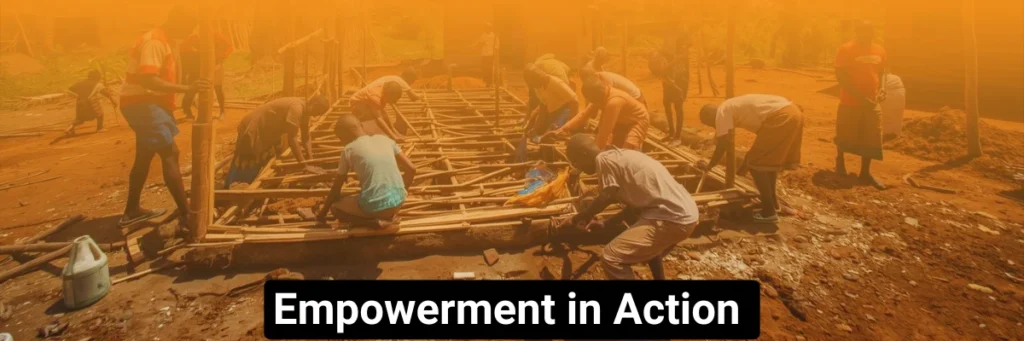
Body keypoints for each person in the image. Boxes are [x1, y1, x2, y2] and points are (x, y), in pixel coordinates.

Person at [117, 5, 208, 233]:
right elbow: (148, 79)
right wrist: (187, 88)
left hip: (148, 103)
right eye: (188, 26)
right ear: (177, 20)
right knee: (170, 154)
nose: (189, 32)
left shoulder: (166, 40)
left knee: (144, 156)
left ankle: (131, 210)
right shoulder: (155, 41)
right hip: (143, 102)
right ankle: (187, 214)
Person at [560, 134, 700, 280]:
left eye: (576, 162)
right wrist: (605, 223)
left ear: (584, 154)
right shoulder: (621, 156)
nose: (578, 168)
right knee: (649, 244)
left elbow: (606, 196)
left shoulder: (603, 160)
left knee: (611, 257)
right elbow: (633, 210)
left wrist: (580, 216)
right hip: (686, 214)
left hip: (671, 219)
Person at [698, 94, 804, 223]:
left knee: (756, 165)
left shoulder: (722, 112)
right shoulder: (729, 106)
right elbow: (721, 137)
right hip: (792, 113)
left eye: (710, 124)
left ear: (710, 116)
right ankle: (773, 205)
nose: (713, 126)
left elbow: (722, 145)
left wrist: (710, 165)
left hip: (780, 117)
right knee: (767, 164)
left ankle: (768, 213)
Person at [317, 114, 416, 228]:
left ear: (345, 135)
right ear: (361, 125)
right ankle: (387, 215)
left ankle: (373, 223)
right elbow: (412, 169)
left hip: (374, 208)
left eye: (341, 138)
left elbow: (336, 189)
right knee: (364, 197)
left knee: (335, 208)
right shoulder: (385, 139)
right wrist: (401, 191)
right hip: (399, 202)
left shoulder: (349, 149)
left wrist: (322, 213)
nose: (341, 142)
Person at [224, 95, 330, 188]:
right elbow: (292, 139)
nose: (316, 115)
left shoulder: (305, 111)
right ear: (314, 104)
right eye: (318, 112)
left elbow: (306, 136)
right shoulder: (297, 108)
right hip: (255, 126)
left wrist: (310, 160)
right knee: (246, 157)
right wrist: (305, 166)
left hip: (266, 131)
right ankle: (232, 188)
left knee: (261, 158)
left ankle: (245, 184)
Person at [834, 20, 887, 190]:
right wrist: (859, 96)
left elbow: (882, 72)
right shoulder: (846, 49)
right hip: (850, 101)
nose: (867, 35)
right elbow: (841, 77)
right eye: (863, 32)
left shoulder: (880, 50)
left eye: (870, 32)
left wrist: (883, 88)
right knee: (845, 131)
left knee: (871, 135)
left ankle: (865, 172)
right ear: (857, 32)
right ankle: (840, 161)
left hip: (872, 102)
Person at [544, 77, 649, 151]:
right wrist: (561, 130)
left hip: (638, 120)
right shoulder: (602, 96)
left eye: (591, 99)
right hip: (623, 121)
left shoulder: (613, 102)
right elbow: (583, 115)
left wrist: (594, 154)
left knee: (628, 149)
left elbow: (605, 132)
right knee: (615, 147)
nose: (591, 102)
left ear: (596, 95)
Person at [518, 64, 580, 162]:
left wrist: (572, 122)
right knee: (540, 133)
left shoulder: (556, 83)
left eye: (533, 84)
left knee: (548, 136)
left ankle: (550, 162)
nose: (533, 87)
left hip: (565, 110)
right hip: (552, 111)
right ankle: (546, 158)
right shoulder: (538, 86)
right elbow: (543, 106)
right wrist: (536, 127)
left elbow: (575, 101)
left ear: (539, 78)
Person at [180, 30, 233, 120]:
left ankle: (222, 111)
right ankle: (187, 110)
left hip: (215, 65)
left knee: (218, 88)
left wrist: (221, 56)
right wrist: (194, 51)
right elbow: (183, 48)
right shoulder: (193, 37)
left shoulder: (216, 35)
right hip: (197, 66)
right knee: (191, 88)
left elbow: (229, 47)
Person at [65, 70, 117, 135]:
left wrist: (78, 96)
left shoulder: (81, 82)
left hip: (80, 102)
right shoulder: (98, 84)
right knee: (100, 113)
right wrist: (113, 101)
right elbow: (106, 94)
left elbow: (69, 90)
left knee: (80, 118)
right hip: (90, 102)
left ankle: (70, 127)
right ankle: (99, 128)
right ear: (97, 77)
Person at [657, 48, 689, 141]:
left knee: (678, 109)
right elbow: (664, 77)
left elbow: (677, 79)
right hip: (668, 88)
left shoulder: (677, 65)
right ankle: (671, 132)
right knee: (668, 108)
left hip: (677, 88)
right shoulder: (667, 64)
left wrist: (680, 90)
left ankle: (677, 136)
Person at [580, 67, 646, 107]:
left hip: (636, 98)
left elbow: (609, 98)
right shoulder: (597, 81)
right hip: (628, 98)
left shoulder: (605, 79)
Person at [472, 23, 499, 87]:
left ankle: (489, 82)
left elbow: (496, 47)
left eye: (487, 28)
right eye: (485, 28)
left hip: (490, 55)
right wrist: (474, 46)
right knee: (485, 69)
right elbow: (479, 43)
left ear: (490, 28)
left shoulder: (495, 37)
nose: (486, 29)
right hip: (484, 55)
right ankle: (485, 82)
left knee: (489, 69)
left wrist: (495, 55)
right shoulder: (483, 35)